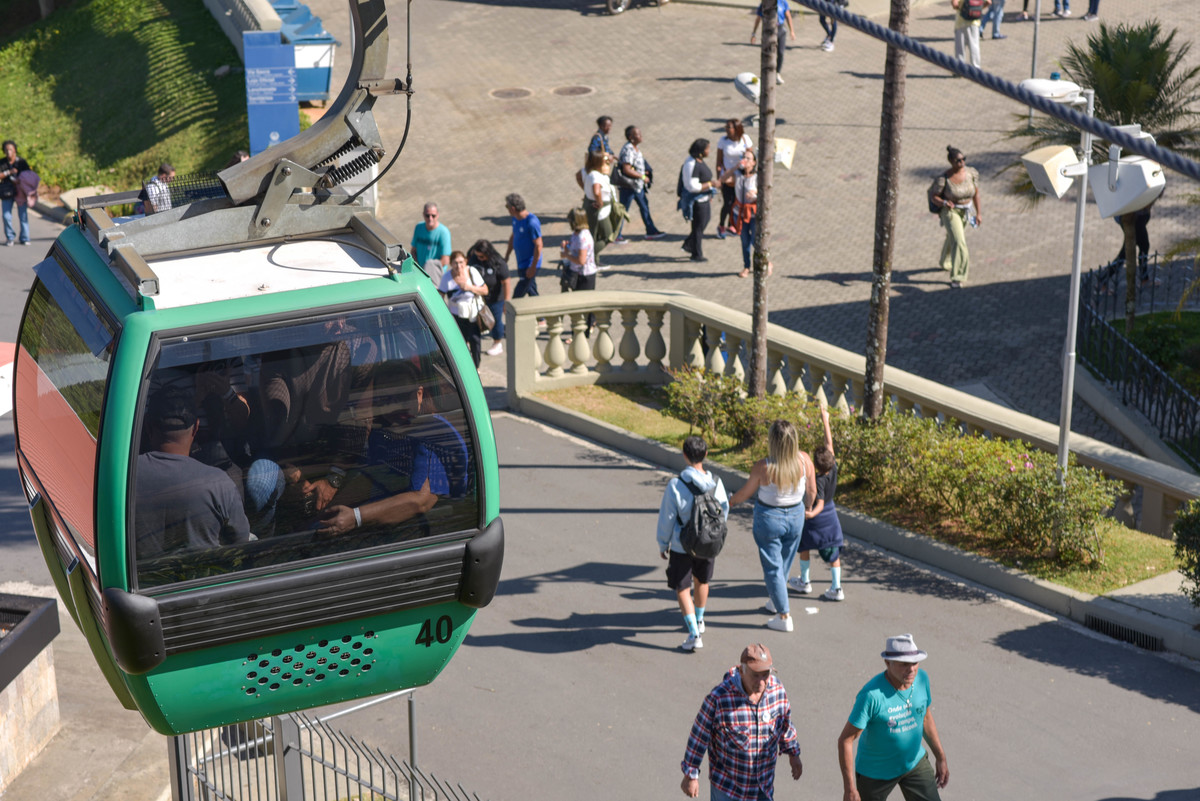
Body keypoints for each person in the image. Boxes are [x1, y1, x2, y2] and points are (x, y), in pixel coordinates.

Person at [134, 387, 251, 560]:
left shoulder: (123, 479)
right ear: (196, 428)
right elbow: (241, 544)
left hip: (143, 582)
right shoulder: (219, 483)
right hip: (203, 582)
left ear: (148, 427)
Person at [680, 644, 804, 799]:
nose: (761, 682)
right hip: (729, 789)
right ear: (741, 671)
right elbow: (699, 736)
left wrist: (793, 754)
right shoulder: (719, 698)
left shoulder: (777, 690)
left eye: (765, 674)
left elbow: (784, 723)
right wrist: (691, 775)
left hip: (763, 786)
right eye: (755, 675)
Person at [837, 634, 949, 801]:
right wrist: (850, 789)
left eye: (914, 663)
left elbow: (925, 717)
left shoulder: (922, 679)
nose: (911, 669)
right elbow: (845, 740)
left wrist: (941, 757)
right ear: (887, 663)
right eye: (904, 664)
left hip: (913, 763)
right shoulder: (871, 696)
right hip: (875, 773)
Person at [729, 420, 816, 633]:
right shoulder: (804, 460)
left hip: (769, 517)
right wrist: (808, 507)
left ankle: (784, 615)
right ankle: (776, 598)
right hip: (796, 515)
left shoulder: (764, 466)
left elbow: (745, 493)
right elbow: (812, 490)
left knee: (772, 566)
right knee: (784, 561)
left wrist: (730, 502)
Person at [656, 435, 730, 652]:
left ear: (684, 455)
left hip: (682, 545)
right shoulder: (716, 482)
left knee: (682, 588)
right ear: (706, 455)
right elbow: (723, 510)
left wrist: (663, 544)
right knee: (702, 581)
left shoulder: (676, 485)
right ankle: (699, 619)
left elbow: (667, 518)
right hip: (708, 544)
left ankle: (693, 633)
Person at [788, 405, 845, 601]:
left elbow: (819, 502)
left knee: (804, 546)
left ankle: (805, 581)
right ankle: (836, 587)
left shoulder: (819, 481)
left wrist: (810, 513)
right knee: (832, 551)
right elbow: (829, 444)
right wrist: (825, 420)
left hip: (817, 518)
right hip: (832, 515)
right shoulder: (833, 466)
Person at [928, 145, 981, 288]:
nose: (962, 162)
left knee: (953, 237)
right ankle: (958, 276)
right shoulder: (944, 178)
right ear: (951, 162)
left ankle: (945, 262)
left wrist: (978, 213)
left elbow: (976, 194)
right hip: (950, 212)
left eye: (964, 159)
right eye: (958, 160)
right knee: (959, 242)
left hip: (966, 211)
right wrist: (944, 202)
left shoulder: (971, 174)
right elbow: (934, 196)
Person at [439, 250, 487, 368]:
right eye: (455, 263)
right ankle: (464, 367)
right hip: (456, 316)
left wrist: (470, 287)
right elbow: (440, 296)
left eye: (461, 262)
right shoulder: (446, 278)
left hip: (473, 314)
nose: (458, 266)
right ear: (451, 264)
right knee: (460, 344)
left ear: (466, 261)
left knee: (475, 341)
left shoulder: (472, 272)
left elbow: (485, 290)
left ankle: (476, 367)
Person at [617, 126, 666, 240]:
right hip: (628, 186)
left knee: (644, 207)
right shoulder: (629, 149)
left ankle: (651, 231)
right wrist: (642, 176)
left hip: (637, 186)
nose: (641, 136)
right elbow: (626, 169)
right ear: (631, 137)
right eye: (638, 134)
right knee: (623, 211)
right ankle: (615, 235)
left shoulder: (635, 148)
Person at [720, 151, 762, 278]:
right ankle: (746, 266)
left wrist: (755, 195)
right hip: (739, 213)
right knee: (744, 241)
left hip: (753, 214)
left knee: (756, 241)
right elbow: (723, 179)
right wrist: (735, 167)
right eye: (743, 157)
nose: (745, 160)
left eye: (748, 158)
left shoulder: (757, 177)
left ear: (754, 162)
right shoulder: (738, 175)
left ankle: (763, 263)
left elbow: (765, 194)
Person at [468, 239, 512, 357]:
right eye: (477, 256)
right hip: (479, 297)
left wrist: (506, 302)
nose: (479, 258)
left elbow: (506, 282)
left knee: (495, 320)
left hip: (496, 297)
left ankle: (497, 342)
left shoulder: (498, 262)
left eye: (482, 256)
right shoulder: (474, 259)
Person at [679, 139, 719, 263]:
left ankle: (689, 244)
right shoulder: (692, 164)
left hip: (704, 199)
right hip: (697, 202)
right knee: (698, 227)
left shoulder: (698, 161)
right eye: (708, 149)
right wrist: (710, 184)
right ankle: (696, 254)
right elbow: (693, 186)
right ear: (701, 152)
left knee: (703, 223)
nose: (709, 151)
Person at [715, 120, 754, 239]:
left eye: (729, 128)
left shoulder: (745, 139)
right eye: (726, 127)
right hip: (728, 175)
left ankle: (731, 225)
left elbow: (750, 157)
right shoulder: (723, 141)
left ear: (737, 129)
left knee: (736, 203)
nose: (726, 130)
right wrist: (719, 179)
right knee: (727, 203)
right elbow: (719, 160)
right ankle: (721, 225)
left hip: (741, 175)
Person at [504, 193, 544, 299]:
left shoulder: (531, 222)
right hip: (521, 262)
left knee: (519, 293)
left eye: (507, 206)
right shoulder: (515, 219)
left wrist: (533, 267)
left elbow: (539, 246)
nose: (506, 209)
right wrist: (507, 255)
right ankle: (541, 316)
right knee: (532, 291)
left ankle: (512, 311)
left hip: (529, 264)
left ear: (512, 208)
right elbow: (514, 236)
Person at [750, 0, 796, 84]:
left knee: (781, 53)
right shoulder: (765, 3)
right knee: (769, 53)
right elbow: (758, 18)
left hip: (781, 29)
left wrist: (792, 31)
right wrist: (754, 33)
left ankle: (777, 73)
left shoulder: (783, 2)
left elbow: (788, 16)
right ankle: (767, 73)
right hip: (769, 30)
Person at [1, 140, 32, 246]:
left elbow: (29, 175)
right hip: (6, 192)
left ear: (14, 150)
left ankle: (25, 237)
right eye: (6, 150)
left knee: (23, 215)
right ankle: (10, 237)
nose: (8, 152)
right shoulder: (2, 162)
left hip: (20, 192)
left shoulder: (21, 162)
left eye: (10, 149)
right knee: (6, 216)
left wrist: (20, 180)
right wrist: (9, 172)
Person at [410, 202, 452, 278]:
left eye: (433, 216)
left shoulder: (444, 232)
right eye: (427, 215)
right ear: (423, 214)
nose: (430, 218)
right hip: (420, 272)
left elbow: (445, 260)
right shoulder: (419, 228)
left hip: (435, 275)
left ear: (438, 215)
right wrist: (418, 267)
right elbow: (413, 250)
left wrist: (429, 270)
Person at [950, 0, 988, 69]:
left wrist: (963, 10)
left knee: (960, 48)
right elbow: (988, 2)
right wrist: (976, 9)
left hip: (961, 23)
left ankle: (960, 69)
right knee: (974, 47)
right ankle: (976, 68)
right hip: (975, 23)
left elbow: (955, 4)